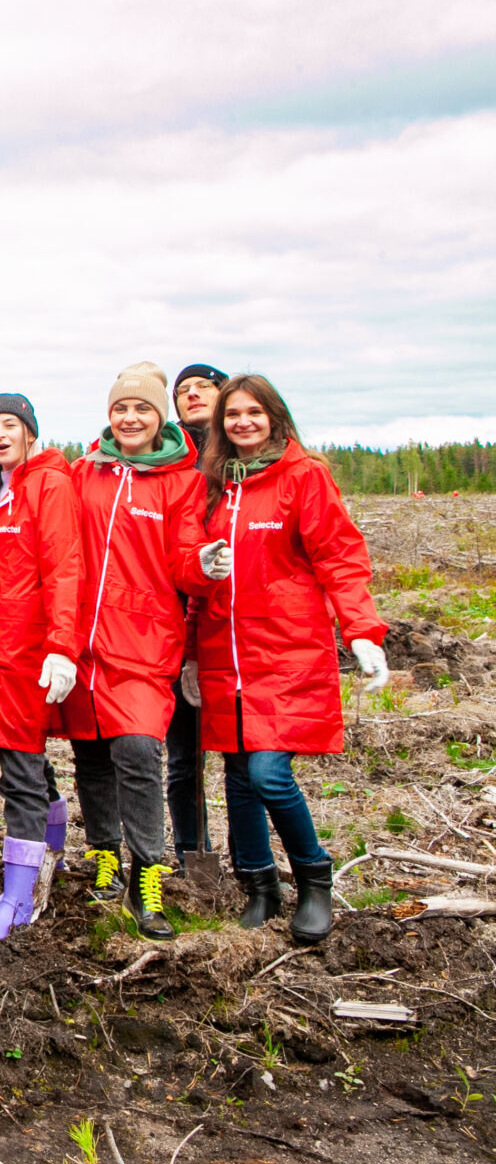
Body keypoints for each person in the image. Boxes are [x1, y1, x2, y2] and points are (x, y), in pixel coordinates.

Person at [192, 375, 388, 944]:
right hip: (222, 651)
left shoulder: (303, 477)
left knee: (269, 773)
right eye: (233, 415)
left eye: (254, 412)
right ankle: (259, 886)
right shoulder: (212, 486)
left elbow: (339, 555)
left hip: (285, 650)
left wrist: (362, 631)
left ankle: (313, 874)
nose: (243, 423)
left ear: (275, 418)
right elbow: (188, 566)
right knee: (237, 776)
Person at [57, 365, 228, 940]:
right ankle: (104, 852)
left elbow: (183, 558)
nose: (130, 419)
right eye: (120, 409)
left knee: (136, 749)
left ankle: (147, 872)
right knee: (91, 753)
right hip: (80, 640)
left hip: (144, 640)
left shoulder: (180, 482)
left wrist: (201, 568)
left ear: (160, 419)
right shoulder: (84, 472)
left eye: (143, 410)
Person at [0, 394, 82, 944]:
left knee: (19, 773)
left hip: (25, 657)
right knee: (23, 762)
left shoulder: (48, 485)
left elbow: (65, 565)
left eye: (11, 425)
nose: (0, 434)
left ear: (30, 432)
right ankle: (53, 852)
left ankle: (17, 897)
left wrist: (62, 646)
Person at [165, 362, 228, 867]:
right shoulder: (170, 462)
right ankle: (192, 852)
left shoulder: (244, 459)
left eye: (201, 387)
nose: (190, 395)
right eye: (182, 391)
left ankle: (250, 858)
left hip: (233, 623)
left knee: (243, 758)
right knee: (183, 754)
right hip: (176, 618)